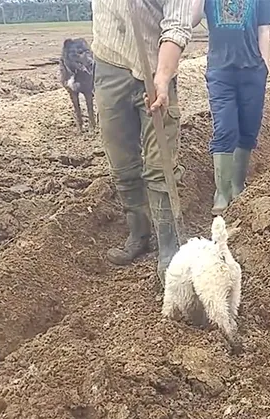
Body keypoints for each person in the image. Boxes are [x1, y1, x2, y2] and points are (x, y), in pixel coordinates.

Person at [90, 0, 193, 284]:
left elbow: (177, 25)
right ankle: (139, 234)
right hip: (110, 65)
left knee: (161, 164)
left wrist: (161, 77)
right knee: (122, 163)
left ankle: (169, 246)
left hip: (155, 66)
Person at [191, 0, 270, 215]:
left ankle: (238, 186)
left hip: (252, 70)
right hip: (220, 71)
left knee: (248, 128)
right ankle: (221, 191)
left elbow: (263, 29)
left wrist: (264, 66)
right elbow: (192, 21)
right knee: (224, 128)